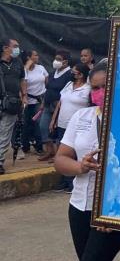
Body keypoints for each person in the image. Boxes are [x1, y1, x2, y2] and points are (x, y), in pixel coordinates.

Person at [54, 63, 120, 261]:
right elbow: (61, 158)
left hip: (115, 213)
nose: (100, 92)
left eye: (106, 86)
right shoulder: (81, 117)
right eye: (95, 87)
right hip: (79, 207)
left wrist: (112, 210)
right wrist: (80, 166)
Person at [50, 63, 91, 192]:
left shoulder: (88, 89)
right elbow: (60, 103)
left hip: (77, 127)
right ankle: (64, 181)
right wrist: (53, 119)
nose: (71, 74)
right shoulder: (68, 85)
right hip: (62, 124)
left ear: (81, 75)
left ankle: (71, 183)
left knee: (73, 154)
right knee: (62, 153)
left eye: (74, 72)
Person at [38, 50, 73, 163]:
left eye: (58, 59)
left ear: (65, 61)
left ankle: (58, 153)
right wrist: (43, 103)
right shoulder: (54, 73)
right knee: (43, 126)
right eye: (55, 58)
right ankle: (49, 151)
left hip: (59, 106)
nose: (55, 61)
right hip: (48, 104)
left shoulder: (69, 74)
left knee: (57, 130)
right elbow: (48, 88)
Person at [0, 37, 26, 174]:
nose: (17, 49)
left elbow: (22, 79)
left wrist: (25, 95)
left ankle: (0, 161)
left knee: (5, 133)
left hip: (12, 103)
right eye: (15, 46)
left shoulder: (18, 63)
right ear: (5, 48)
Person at [20, 49, 48, 159]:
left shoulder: (41, 68)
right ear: (29, 57)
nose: (37, 57)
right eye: (35, 55)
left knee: (38, 123)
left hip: (39, 100)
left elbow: (47, 83)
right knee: (26, 124)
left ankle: (39, 146)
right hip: (27, 100)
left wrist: (45, 99)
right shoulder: (23, 70)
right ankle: (25, 146)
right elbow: (22, 81)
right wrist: (26, 67)